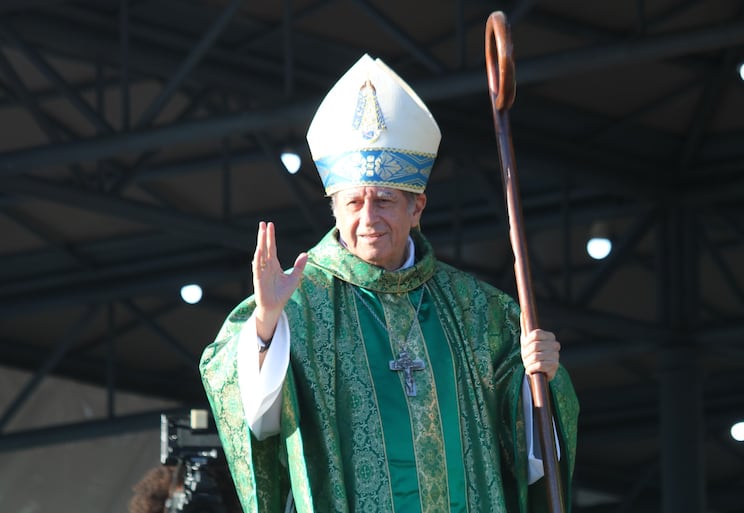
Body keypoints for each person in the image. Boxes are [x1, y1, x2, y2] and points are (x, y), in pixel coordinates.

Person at [200, 54, 578, 513]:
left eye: (383, 200)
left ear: (417, 207)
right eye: (353, 202)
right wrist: (265, 323)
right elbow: (252, 418)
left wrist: (537, 379)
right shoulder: (298, 301)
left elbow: (526, 447)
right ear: (334, 210)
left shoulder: (479, 311)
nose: (368, 218)